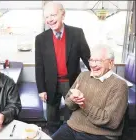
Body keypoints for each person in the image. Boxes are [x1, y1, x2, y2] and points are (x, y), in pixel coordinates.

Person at [35, 1, 91, 134]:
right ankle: (53, 136)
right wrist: (41, 89)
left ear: (63, 15)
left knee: (73, 114)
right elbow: (39, 66)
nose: (49, 19)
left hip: (72, 83)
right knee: (52, 115)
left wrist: (97, 77)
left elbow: (88, 58)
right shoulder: (40, 39)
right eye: (47, 17)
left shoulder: (77, 33)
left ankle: (70, 135)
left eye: (53, 15)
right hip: (50, 84)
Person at [52, 44, 128, 140]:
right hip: (72, 127)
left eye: (98, 61)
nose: (93, 64)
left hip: (99, 135)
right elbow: (69, 104)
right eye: (91, 60)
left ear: (110, 63)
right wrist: (72, 100)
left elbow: (112, 122)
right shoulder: (83, 76)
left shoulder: (119, 85)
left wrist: (84, 105)